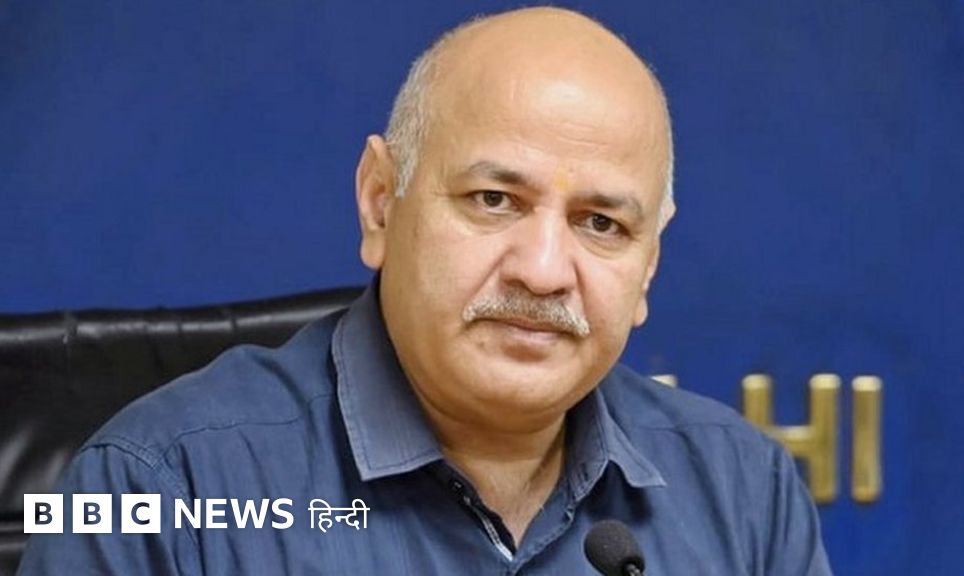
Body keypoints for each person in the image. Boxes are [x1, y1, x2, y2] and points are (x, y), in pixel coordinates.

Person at [19, 7, 831, 575]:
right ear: (381, 201)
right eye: (494, 200)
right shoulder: (153, 484)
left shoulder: (743, 491)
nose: (544, 270)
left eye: (601, 224)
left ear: (648, 266)